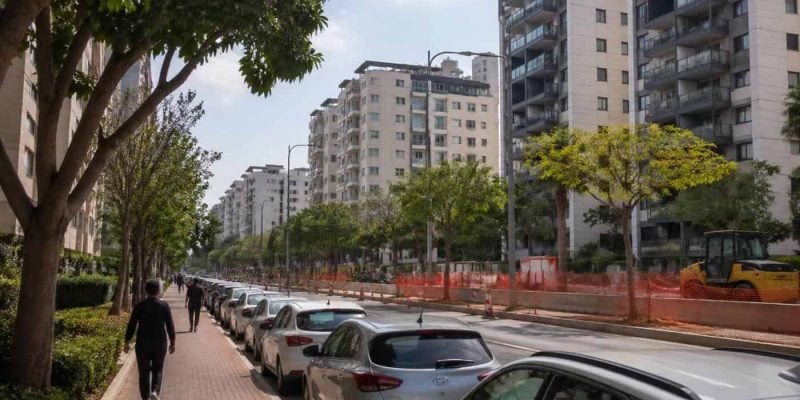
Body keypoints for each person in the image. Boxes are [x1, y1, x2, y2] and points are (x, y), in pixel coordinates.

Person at [125, 280, 176, 400]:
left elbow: (132, 324)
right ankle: (155, 391)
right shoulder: (164, 306)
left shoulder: (139, 306)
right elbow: (170, 325)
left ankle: (145, 397)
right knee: (158, 369)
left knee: (143, 373)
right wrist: (172, 341)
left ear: (146, 291)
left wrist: (127, 341)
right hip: (160, 343)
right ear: (158, 291)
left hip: (142, 343)